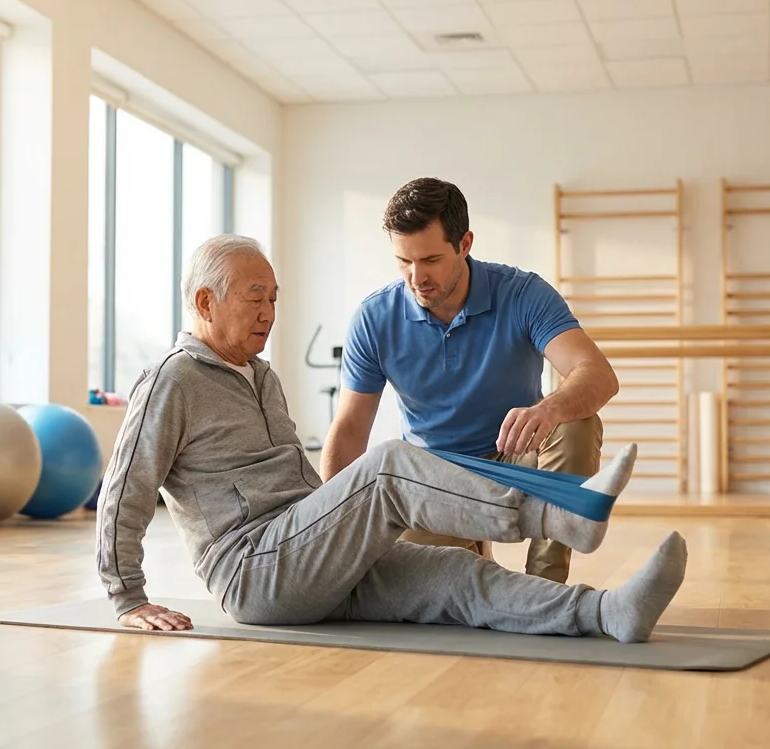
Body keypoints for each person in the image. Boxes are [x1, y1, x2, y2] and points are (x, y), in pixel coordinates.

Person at [95, 234, 687, 643]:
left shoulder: (261, 376)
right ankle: (563, 516)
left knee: (457, 576)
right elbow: (126, 487)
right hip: (254, 572)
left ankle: (607, 613)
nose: (270, 312)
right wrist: (128, 597)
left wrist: (335, 518)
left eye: (274, 297)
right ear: (205, 302)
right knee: (388, 466)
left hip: (309, 557)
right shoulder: (171, 379)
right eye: (256, 298)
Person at [321, 177, 619, 583]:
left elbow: (597, 375)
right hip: (433, 479)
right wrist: (327, 529)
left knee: (576, 423)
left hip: (515, 460)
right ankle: (473, 556)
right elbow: (351, 427)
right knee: (426, 593)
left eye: (429, 260)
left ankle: (545, 585)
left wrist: (548, 408)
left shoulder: (523, 294)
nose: (416, 277)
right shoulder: (374, 318)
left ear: (464, 244)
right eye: (403, 261)